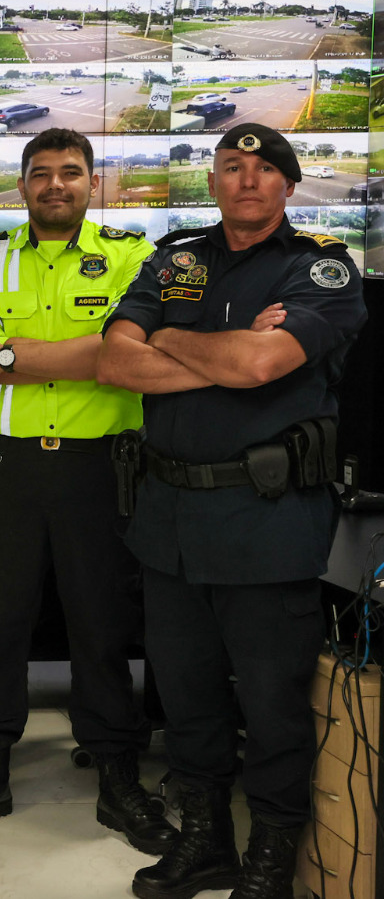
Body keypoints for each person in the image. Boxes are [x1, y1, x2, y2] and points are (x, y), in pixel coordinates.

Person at [96, 123, 367, 899]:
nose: (246, 180)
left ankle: (271, 859)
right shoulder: (176, 259)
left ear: (289, 184)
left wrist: (173, 340)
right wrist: (219, 348)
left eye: (264, 169)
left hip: (266, 520)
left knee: (273, 703)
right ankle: (206, 843)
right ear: (211, 182)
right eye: (231, 167)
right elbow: (117, 361)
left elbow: (262, 364)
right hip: (169, 517)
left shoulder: (321, 270)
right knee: (186, 698)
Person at [0, 128, 175, 856]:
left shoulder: (131, 256)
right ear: (22, 186)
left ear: (94, 183)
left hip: (101, 469)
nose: (55, 185)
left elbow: (131, 357)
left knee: (101, 627)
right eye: (41, 174)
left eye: (70, 173)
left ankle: (117, 775)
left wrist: (16, 354)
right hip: (5, 467)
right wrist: (83, 354)